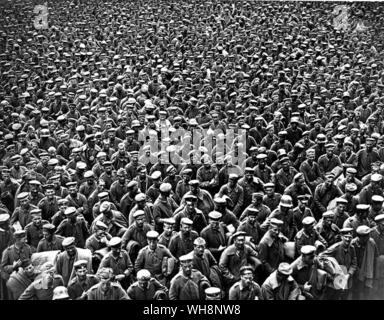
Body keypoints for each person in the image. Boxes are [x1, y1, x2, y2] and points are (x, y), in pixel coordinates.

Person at [350, 225, 378, 300]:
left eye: (368, 235)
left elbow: (375, 258)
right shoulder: (353, 244)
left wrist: (374, 273)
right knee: (356, 292)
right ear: (359, 236)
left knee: (367, 292)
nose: (367, 238)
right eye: (365, 236)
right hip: (357, 272)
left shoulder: (371, 242)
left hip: (368, 272)